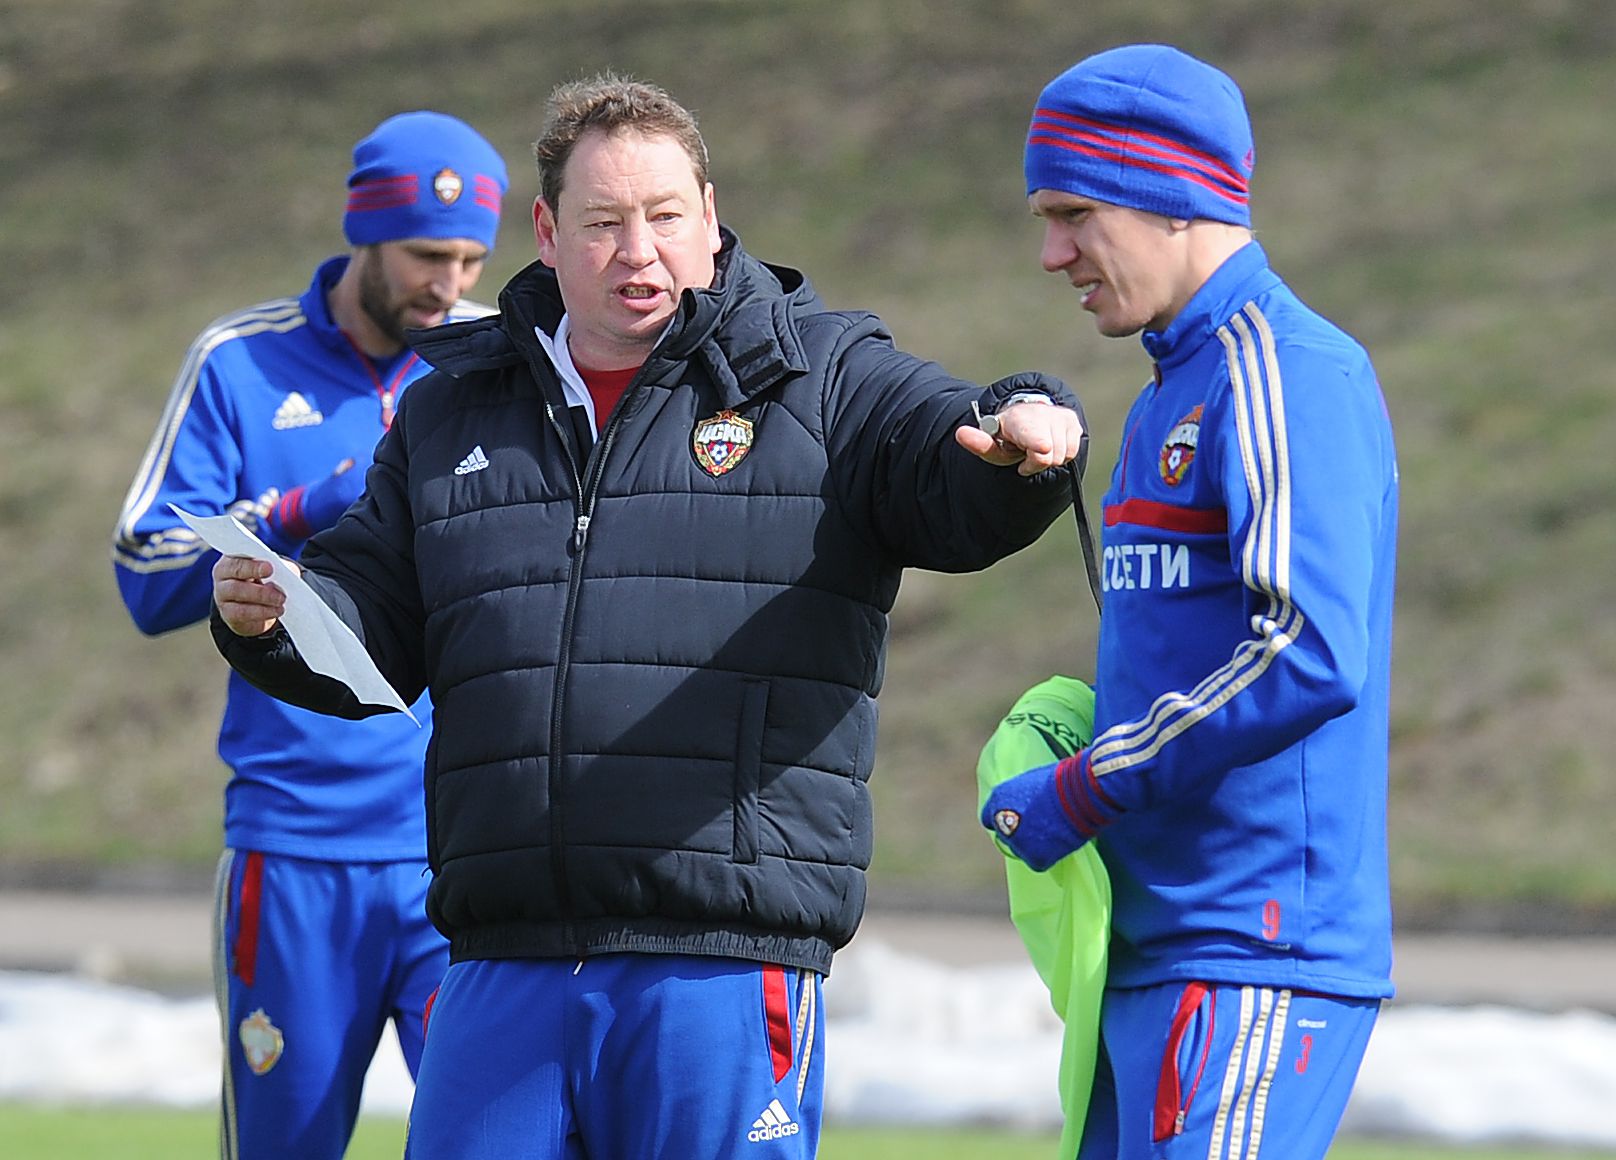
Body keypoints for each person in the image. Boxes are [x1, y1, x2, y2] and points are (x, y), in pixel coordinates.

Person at [206, 73, 1086, 1160]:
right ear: (546, 234)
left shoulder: (822, 373)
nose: (639, 252)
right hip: (499, 960)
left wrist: (1022, 435)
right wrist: (271, 620)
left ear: (710, 217)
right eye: (603, 223)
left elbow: (948, 457)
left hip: (720, 959)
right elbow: (367, 617)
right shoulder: (451, 409)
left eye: (665, 216)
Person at [981, 45, 1400, 1159]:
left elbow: (1307, 649)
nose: (1051, 253)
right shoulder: (1174, 384)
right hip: (1158, 947)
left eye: (1074, 214)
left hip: (1252, 949)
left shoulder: (1286, 369)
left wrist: (1090, 781)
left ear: (1170, 195)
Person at [111, 110, 508, 1159]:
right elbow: (144, 573)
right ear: (364, 231)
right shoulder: (238, 362)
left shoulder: (490, 365)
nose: (449, 283)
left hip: (462, 856)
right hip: (293, 854)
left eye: (470, 260)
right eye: (427, 254)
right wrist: (293, 510)